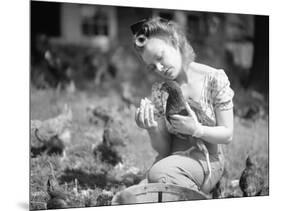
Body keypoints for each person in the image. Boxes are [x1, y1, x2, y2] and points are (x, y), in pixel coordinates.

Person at [132, 17, 234, 194]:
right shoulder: (160, 90)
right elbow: (163, 149)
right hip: (171, 160)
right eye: (152, 67)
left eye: (160, 57)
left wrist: (197, 129)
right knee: (137, 193)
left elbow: (227, 134)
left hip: (206, 162)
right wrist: (151, 128)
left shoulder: (213, 79)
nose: (159, 68)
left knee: (159, 175)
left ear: (176, 42)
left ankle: (196, 193)